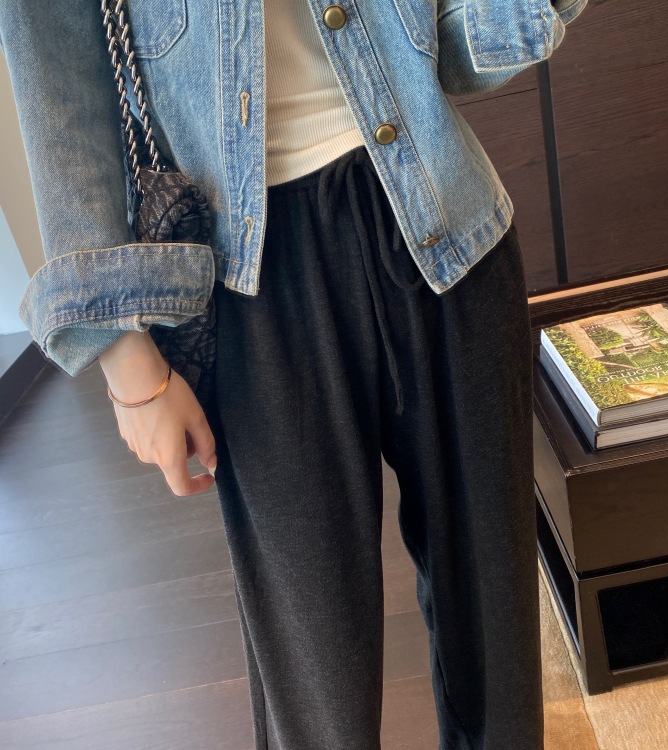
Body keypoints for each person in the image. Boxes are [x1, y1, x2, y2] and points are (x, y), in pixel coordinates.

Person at [0, 1, 588, 747]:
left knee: (495, 631)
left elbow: (450, 43)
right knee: (316, 686)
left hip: (442, 213)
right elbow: (58, 79)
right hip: (252, 280)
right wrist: (123, 354)